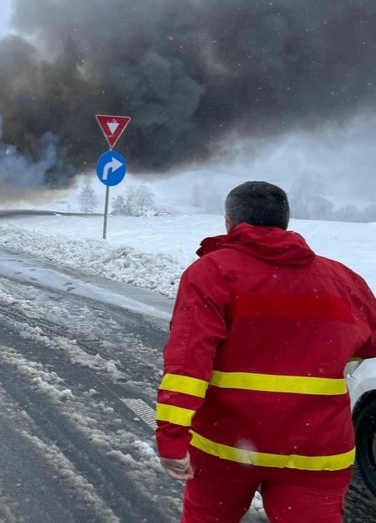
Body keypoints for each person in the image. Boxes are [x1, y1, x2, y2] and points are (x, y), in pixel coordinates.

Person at [156, 181, 376, 522]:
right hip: (316, 453)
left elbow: (188, 364)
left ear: (229, 222)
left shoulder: (212, 273)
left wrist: (172, 437)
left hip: (226, 448)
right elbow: (369, 344)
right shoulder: (343, 279)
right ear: (285, 221)